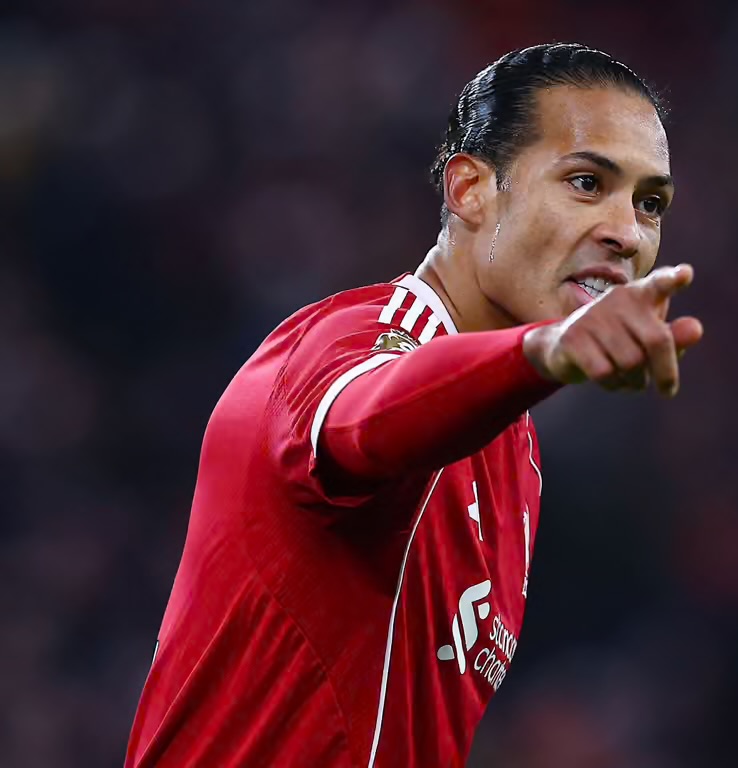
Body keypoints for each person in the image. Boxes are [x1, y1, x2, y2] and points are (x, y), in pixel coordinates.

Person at [124, 42, 704, 768]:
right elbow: (366, 420)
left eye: (650, 203)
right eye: (587, 183)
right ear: (470, 190)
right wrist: (542, 352)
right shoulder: (350, 339)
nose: (628, 232)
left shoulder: (516, 452)